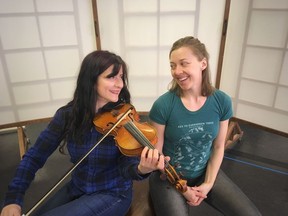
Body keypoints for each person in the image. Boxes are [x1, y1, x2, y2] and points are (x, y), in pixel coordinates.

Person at [0, 50, 164, 216]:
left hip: (112, 193)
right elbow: (35, 156)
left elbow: (126, 168)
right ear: (91, 80)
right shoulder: (68, 115)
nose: (120, 84)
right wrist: (13, 199)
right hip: (78, 186)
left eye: (121, 76)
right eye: (111, 77)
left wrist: (142, 169)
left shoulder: (124, 120)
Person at [148, 36, 261, 216]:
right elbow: (158, 156)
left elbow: (217, 147)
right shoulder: (163, 105)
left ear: (203, 63)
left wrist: (208, 183)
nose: (177, 71)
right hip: (168, 178)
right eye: (172, 65)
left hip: (203, 172)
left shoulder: (221, 100)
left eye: (184, 63)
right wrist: (184, 190)